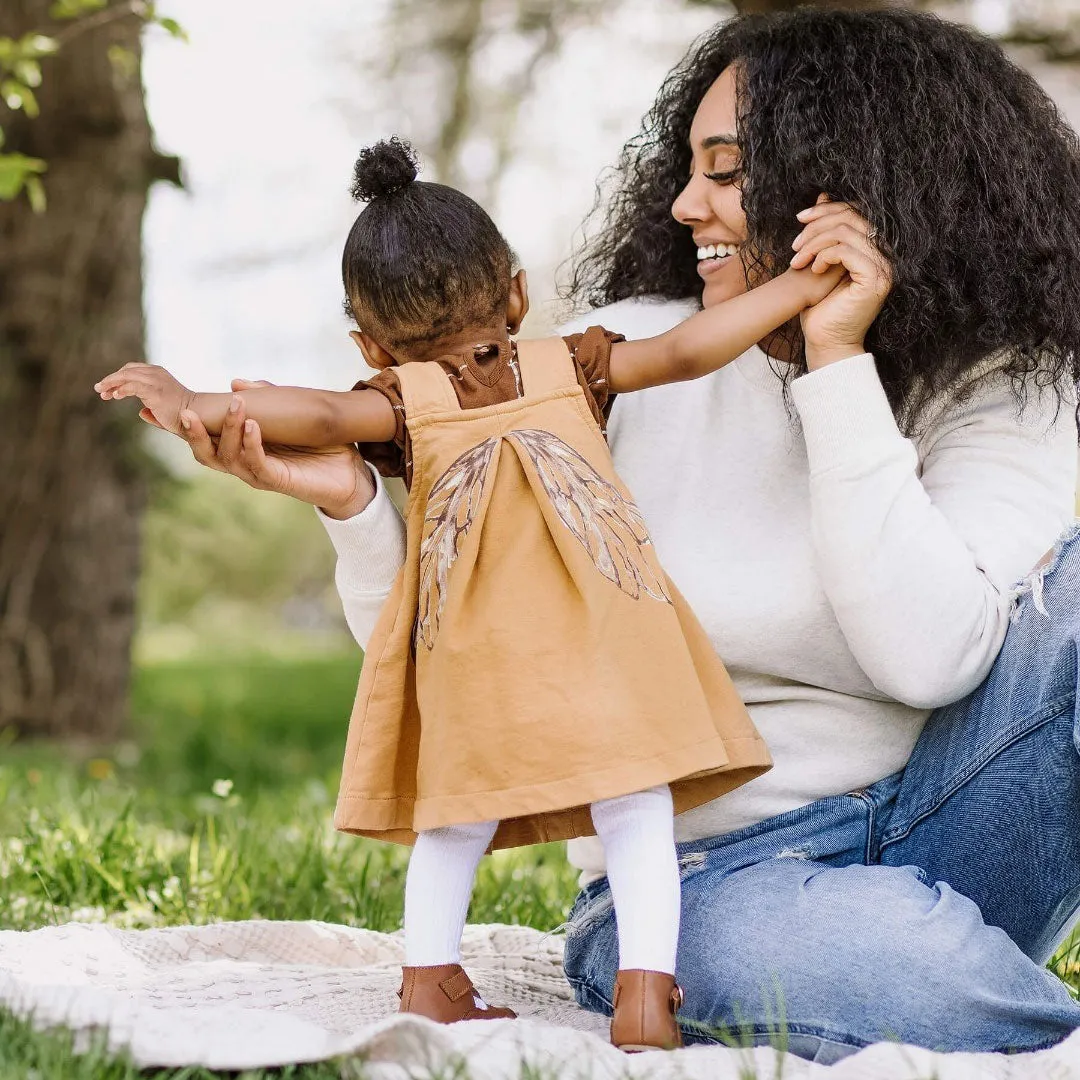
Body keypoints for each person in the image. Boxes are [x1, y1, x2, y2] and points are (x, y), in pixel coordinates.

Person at [155, 8, 1080, 1060]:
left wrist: (836, 365)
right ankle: (938, 983)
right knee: (899, 976)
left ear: (859, 188)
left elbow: (930, 657)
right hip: (713, 879)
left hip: (964, 818)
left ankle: (938, 976)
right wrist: (358, 510)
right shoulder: (625, 360)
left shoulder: (1012, 388)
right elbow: (462, 646)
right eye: (688, 166)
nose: (687, 203)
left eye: (726, 171)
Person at [97, 136, 849, 1050]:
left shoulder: (403, 402)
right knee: (636, 804)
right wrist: (804, 287)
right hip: (609, 635)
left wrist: (189, 399)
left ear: (368, 344)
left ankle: (429, 976)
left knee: (455, 816)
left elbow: (316, 416)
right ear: (519, 293)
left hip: (474, 655)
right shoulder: (568, 365)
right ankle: (646, 993)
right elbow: (691, 349)